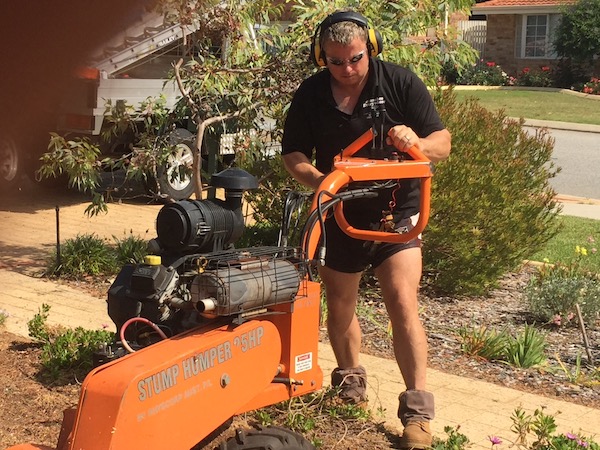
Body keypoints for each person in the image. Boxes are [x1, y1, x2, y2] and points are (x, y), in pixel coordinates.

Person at [281, 10, 451, 449]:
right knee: (340, 304)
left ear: (370, 48)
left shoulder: (400, 82)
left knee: (401, 300)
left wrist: (415, 142)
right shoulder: (312, 93)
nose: (347, 69)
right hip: (341, 211)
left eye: (355, 59)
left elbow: (442, 145)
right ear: (323, 58)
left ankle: (417, 415)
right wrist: (321, 182)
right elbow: (294, 153)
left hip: (398, 212)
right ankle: (350, 388)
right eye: (335, 62)